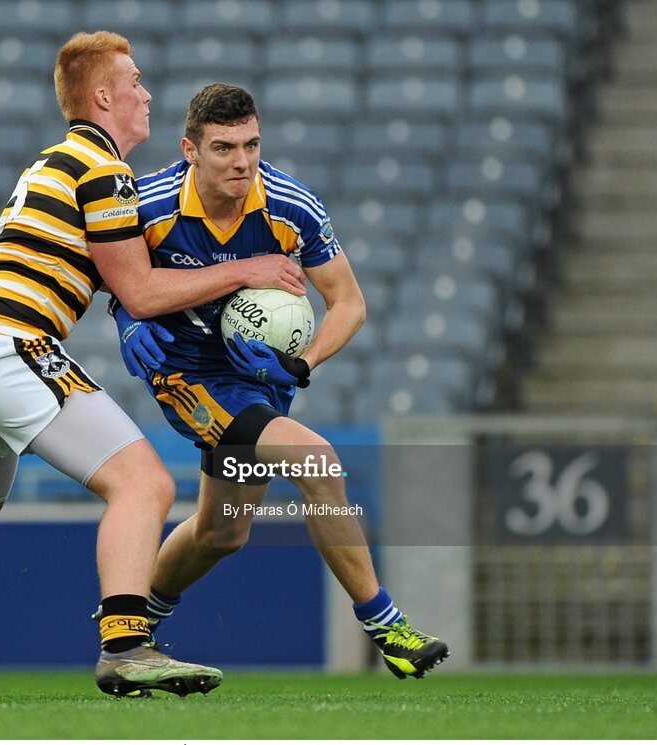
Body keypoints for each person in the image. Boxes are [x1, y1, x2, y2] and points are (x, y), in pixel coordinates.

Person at [0, 33, 306, 700]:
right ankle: (126, 645)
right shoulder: (104, 169)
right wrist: (249, 270)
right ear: (104, 96)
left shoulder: (60, 159)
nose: (146, 94)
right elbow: (138, 289)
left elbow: (129, 284)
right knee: (143, 483)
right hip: (12, 342)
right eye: (134, 82)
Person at [109, 83, 450, 679]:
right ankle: (386, 627)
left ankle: (138, 628)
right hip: (185, 371)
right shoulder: (149, 204)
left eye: (252, 145)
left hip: (261, 379)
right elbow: (112, 278)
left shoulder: (292, 206)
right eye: (223, 148)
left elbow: (348, 303)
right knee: (318, 461)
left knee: (223, 531)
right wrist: (128, 326)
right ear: (190, 149)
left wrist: (304, 363)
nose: (242, 161)